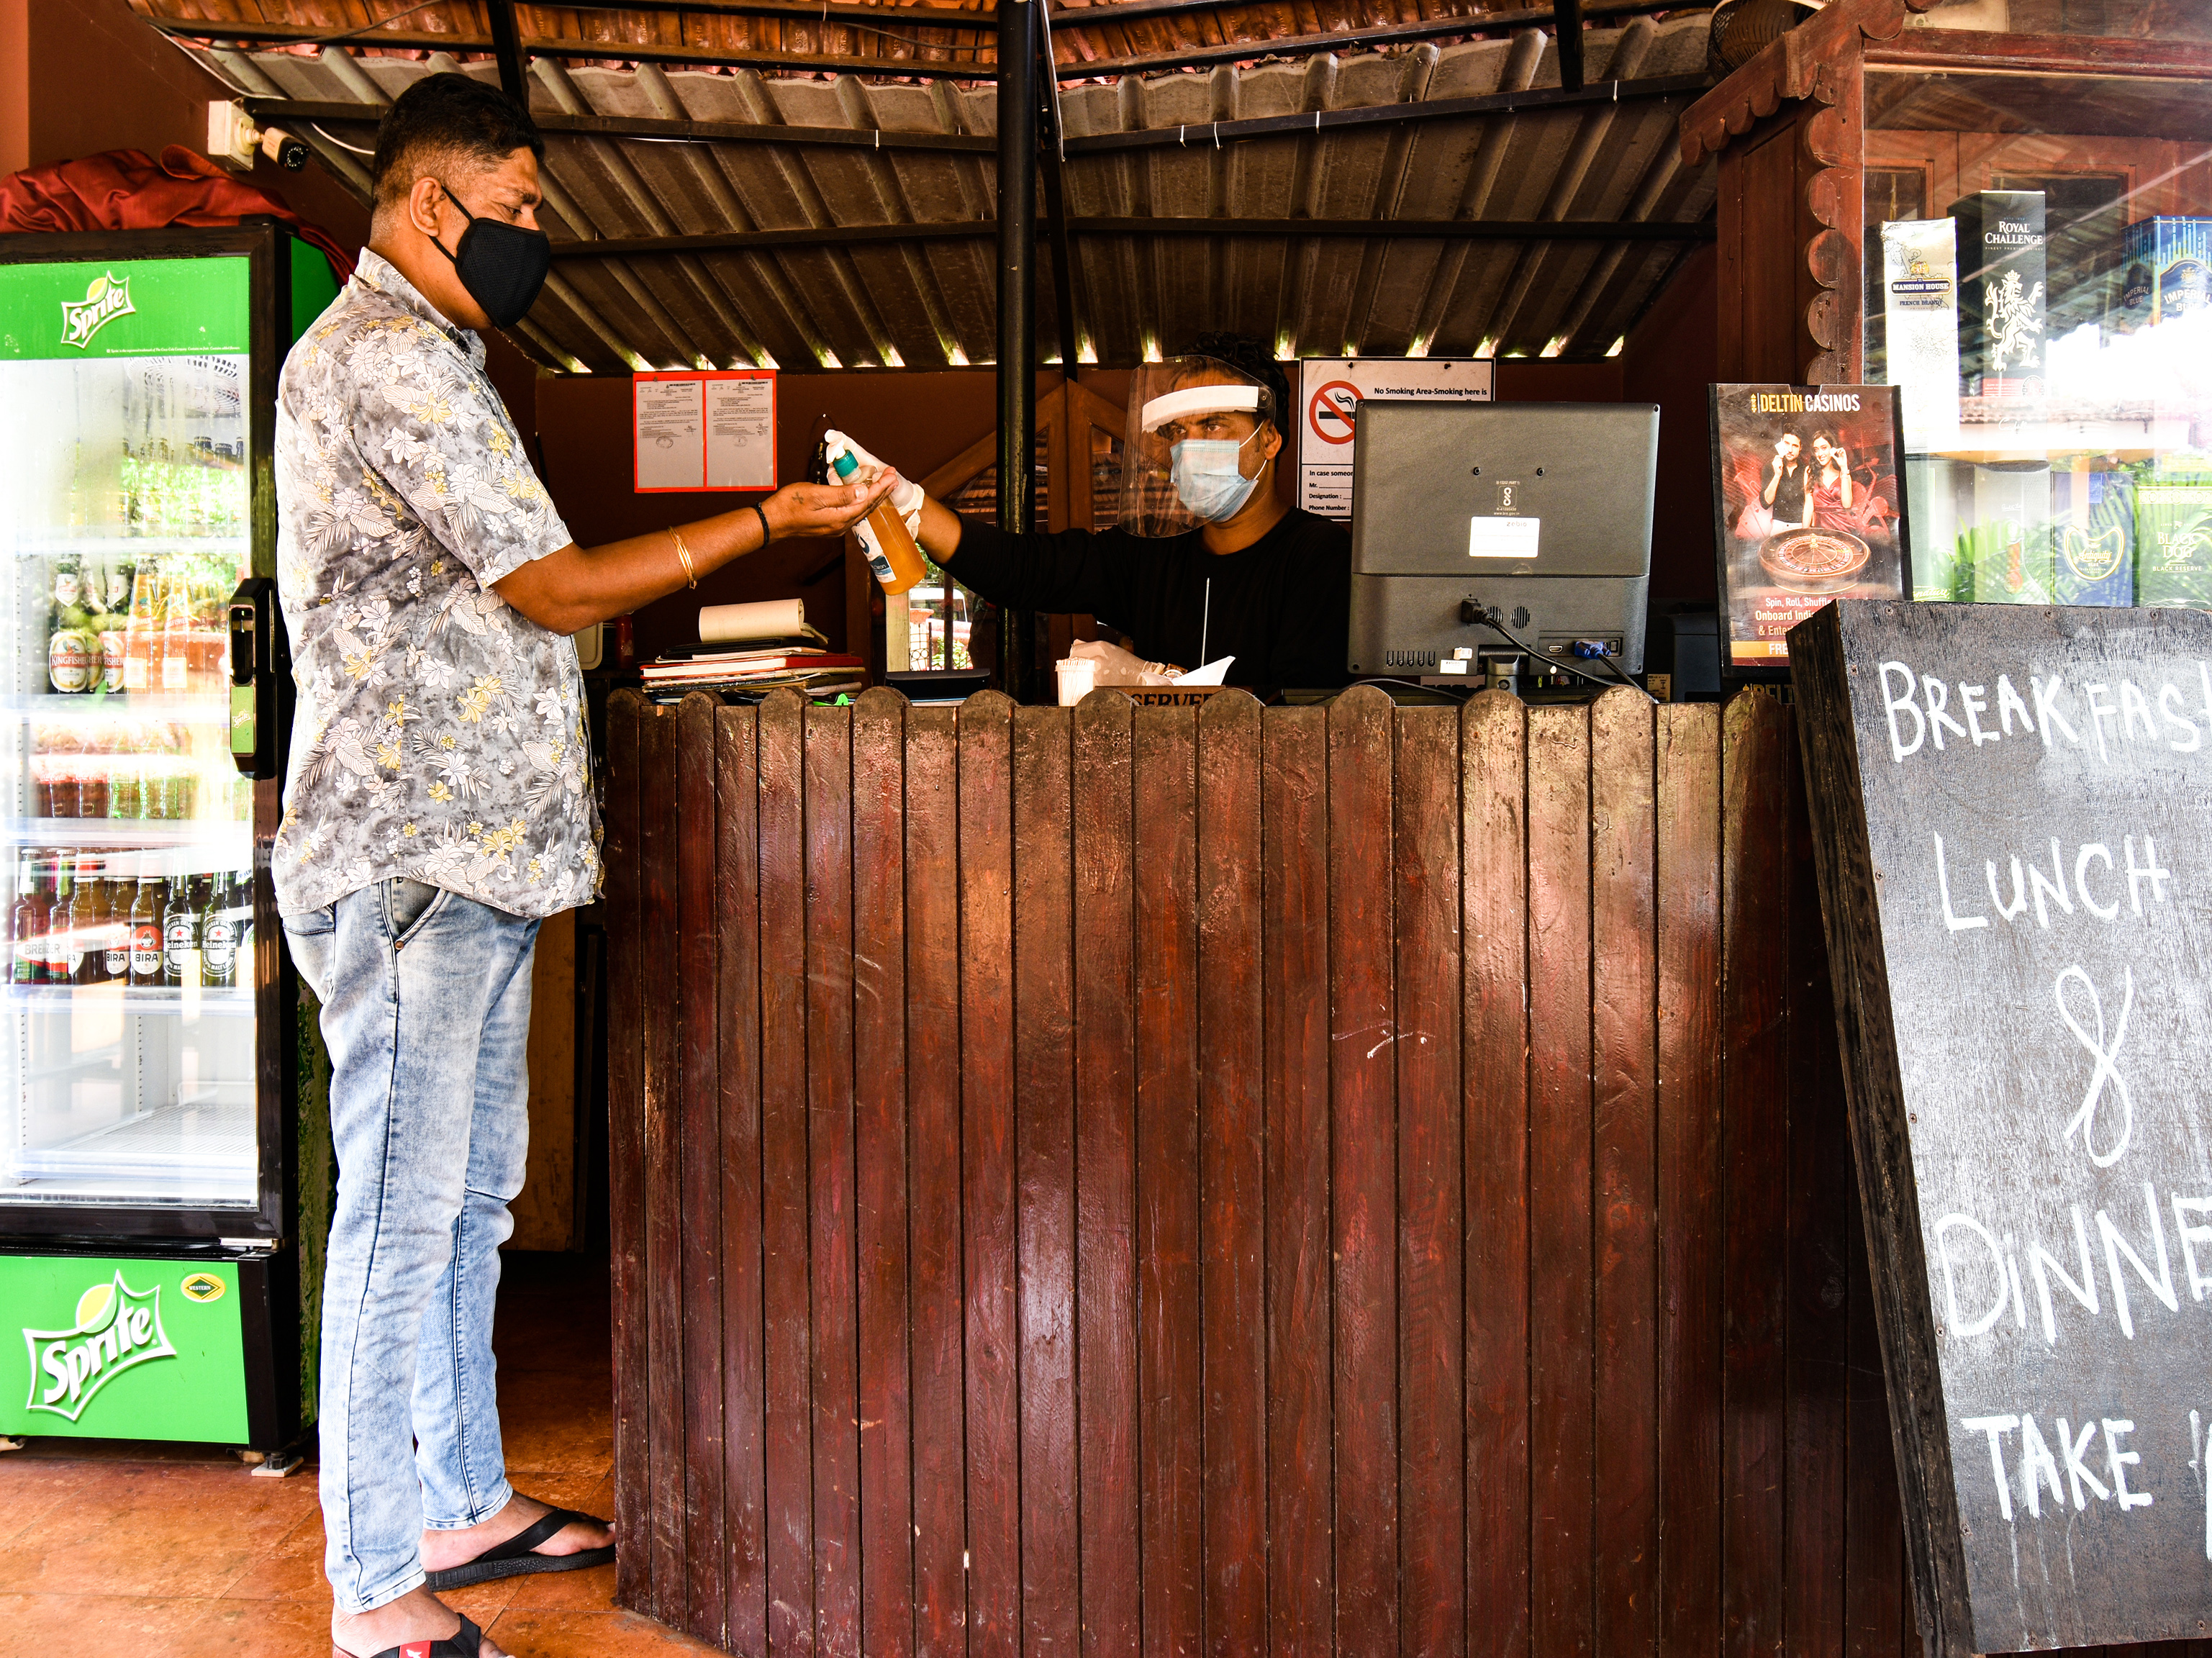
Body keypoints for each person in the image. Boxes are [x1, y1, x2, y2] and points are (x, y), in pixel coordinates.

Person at [273, 73, 893, 1658]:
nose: (540, 236)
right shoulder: (386, 360)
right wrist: (761, 520)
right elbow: (551, 591)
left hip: (472, 857)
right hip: (409, 853)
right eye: (524, 207)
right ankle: (367, 1586)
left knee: (471, 1204)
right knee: (399, 1225)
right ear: (432, 206)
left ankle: (461, 1500)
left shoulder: (444, 360)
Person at [856, 335, 1353, 693]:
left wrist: (1163, 687)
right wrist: (910, 507)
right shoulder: (1151, 558)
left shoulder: (1318, 557)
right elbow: (1024, 569)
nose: (1189, 445)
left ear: (1268, 439)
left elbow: (1303, 708)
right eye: (1178, 431)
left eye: (1214, 424)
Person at [1762, 430, 1810, 530]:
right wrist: (1777, 475)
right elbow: (1766, 503)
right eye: (1787, 444)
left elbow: (1809, 504)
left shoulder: (1806, 470)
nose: (1790, 450)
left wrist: (1805, 530)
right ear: (1781, 443)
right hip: (1778, 525)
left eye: (1795, 446)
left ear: (1800, 448)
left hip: (1800, 525)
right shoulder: (1770, 466)